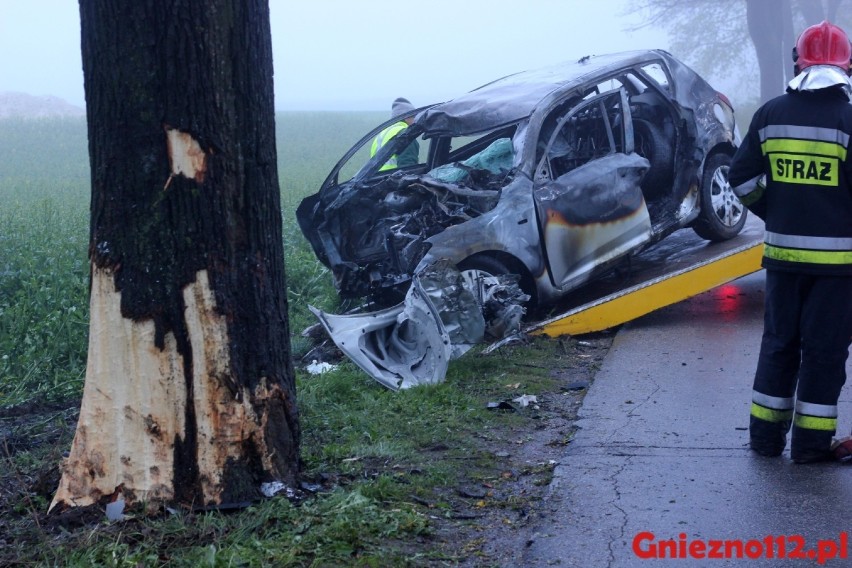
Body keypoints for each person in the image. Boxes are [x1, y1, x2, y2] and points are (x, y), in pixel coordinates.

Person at [728, 20, 852, 463]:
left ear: (799, 61)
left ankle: (764, 441)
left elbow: (740, 179)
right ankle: (810, 447)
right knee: (824, 352)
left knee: (779, 344)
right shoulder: (848, 119)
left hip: (781, 259)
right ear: (847, 65)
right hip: (838, 268)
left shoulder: (770, 113)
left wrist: (774, 211)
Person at [370, 97, 420, 170]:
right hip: (394, 179)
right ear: (406, 117)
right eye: (413, 117)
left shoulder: (381, 134)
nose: (415, 120)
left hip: (377, 179)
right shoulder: (406, 134)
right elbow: (407, 168)